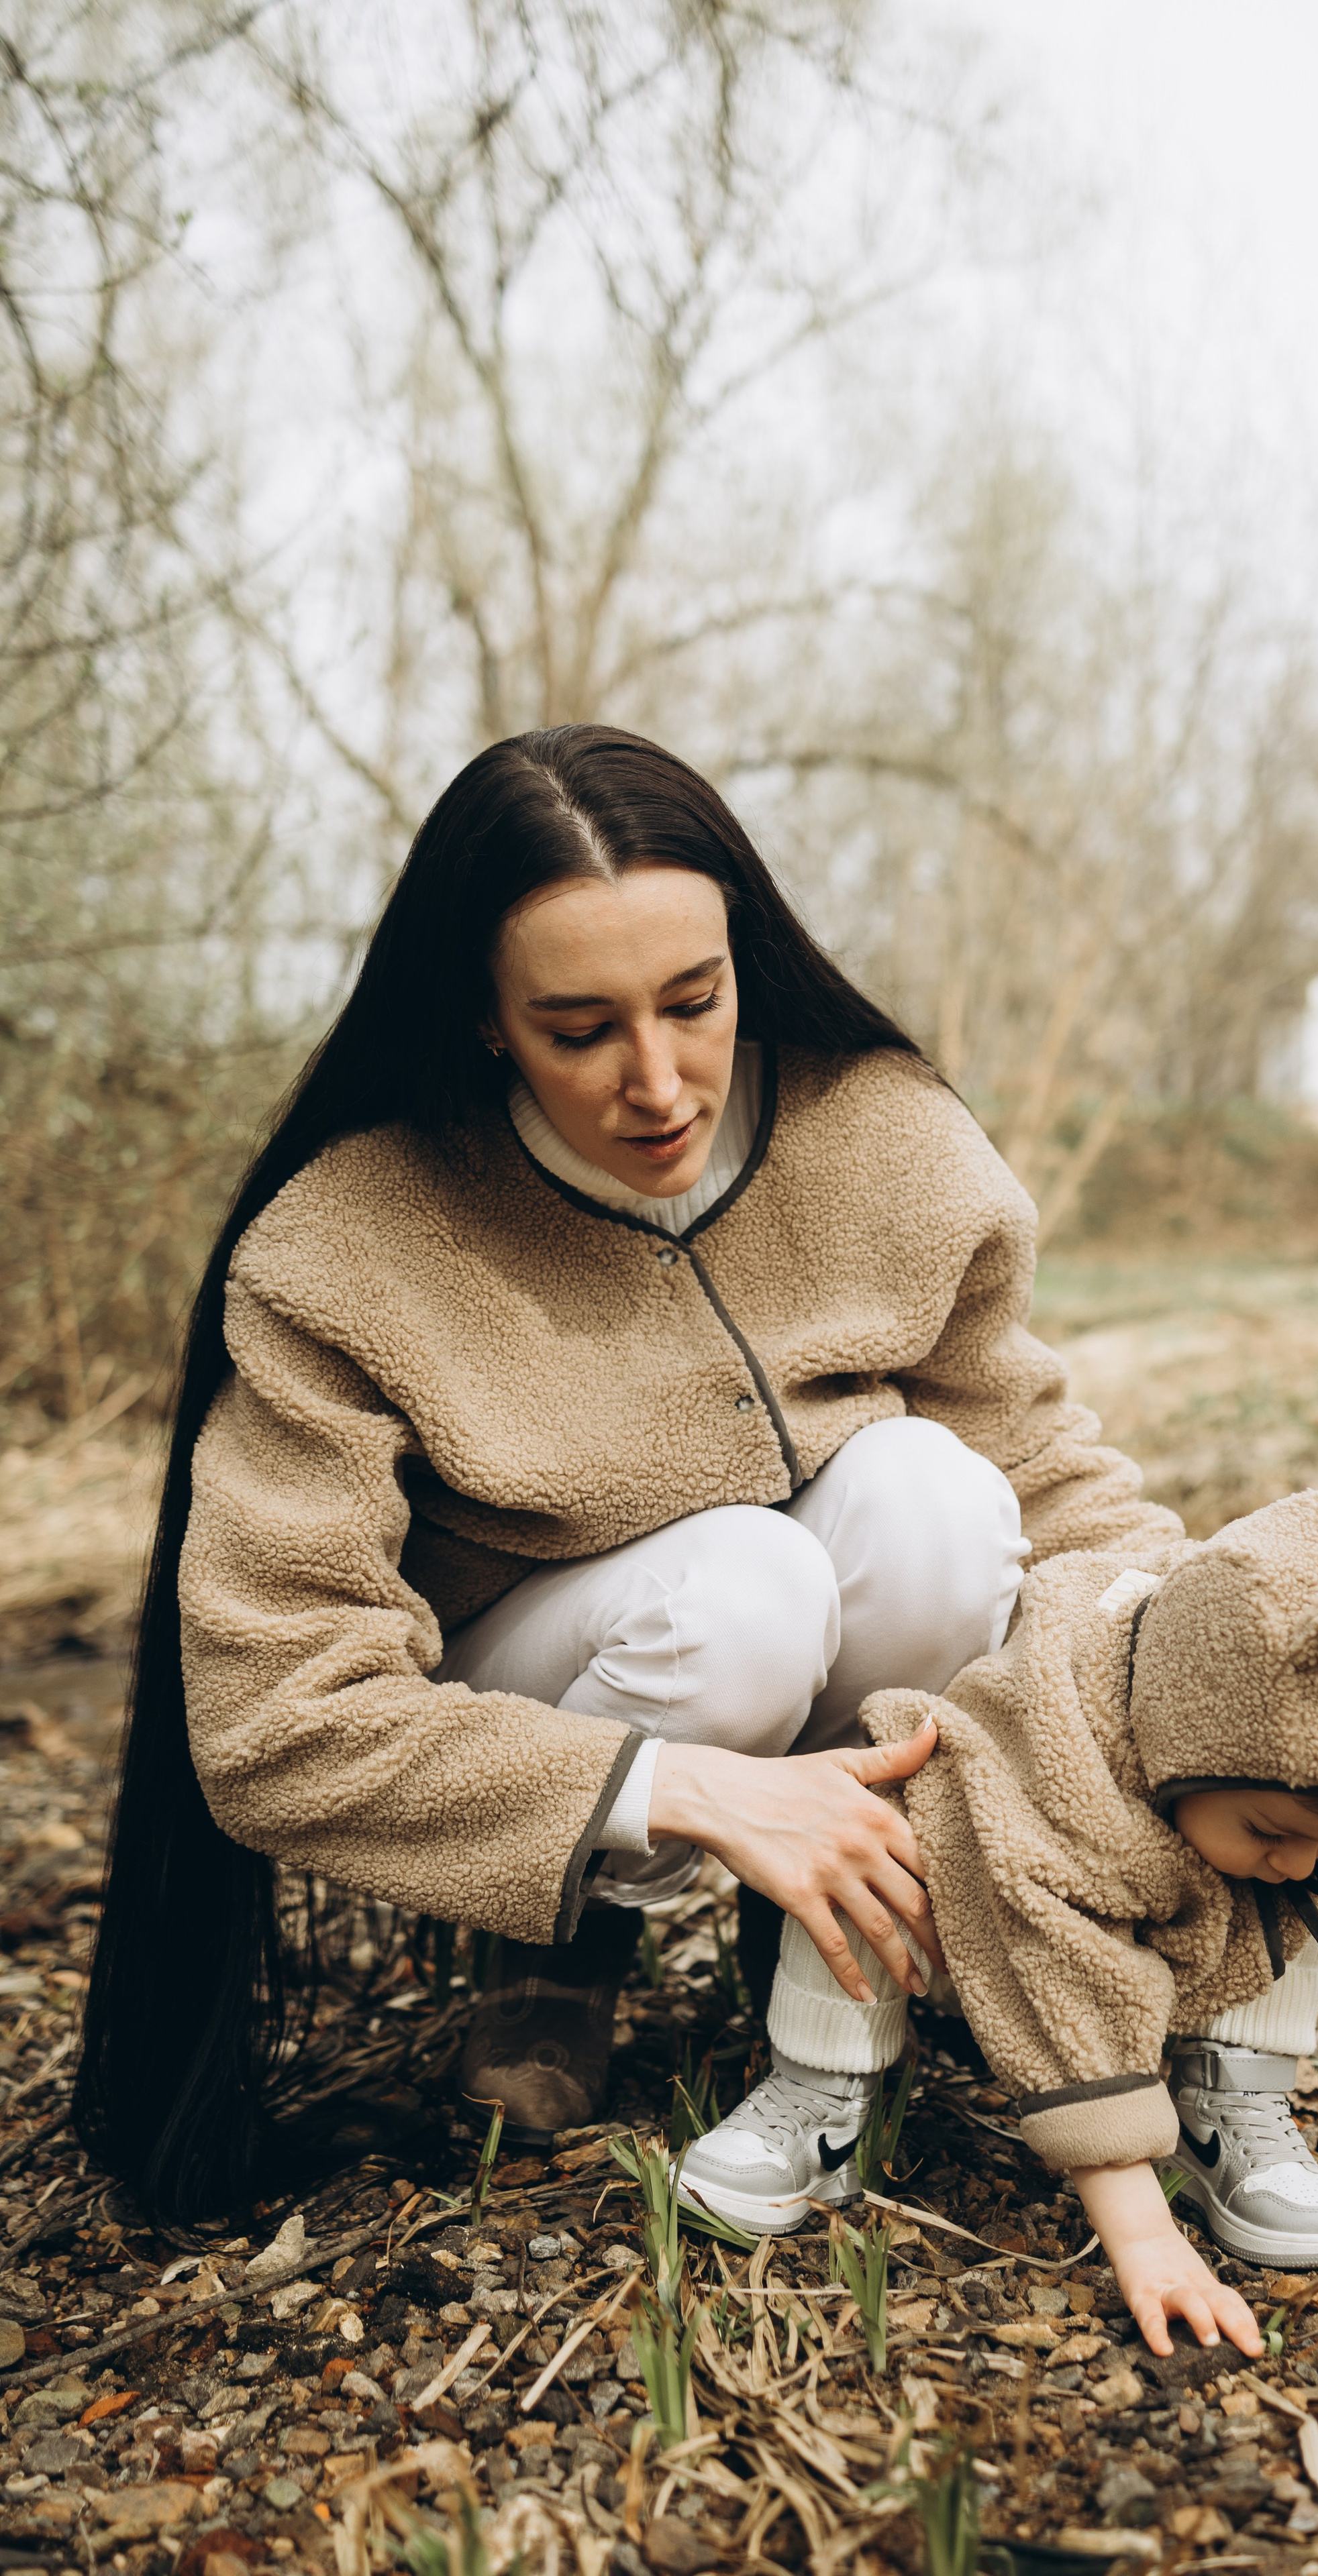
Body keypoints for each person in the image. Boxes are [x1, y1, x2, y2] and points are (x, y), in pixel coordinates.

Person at [74, 723, 1180, 2221]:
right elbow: (276, 1722)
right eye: (579, 1028)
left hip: (818, 1617)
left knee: (929, 1493)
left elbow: (1039, 1463)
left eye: (693, 1003)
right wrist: (669, 1785)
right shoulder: (347, 1246)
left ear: (745, 960)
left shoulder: (884, 1136)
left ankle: (839, 1930)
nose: (657, 1083)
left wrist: (1226, 1649)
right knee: (745, 1587)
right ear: (483, 1020)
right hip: (544, 1682)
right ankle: (557, 1952)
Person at [688, 1489, 1318, 2360]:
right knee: (872, 1848)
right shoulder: (1061, 1777)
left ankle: (1229, 2102)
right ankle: (822, 2096)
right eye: (1273, 1830)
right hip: (975, 1917)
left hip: (1167, 1905)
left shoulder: (1298, 1693)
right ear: (1194, 1747)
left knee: (1284, 1882)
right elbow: (1070, 1989)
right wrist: (1146, 2239)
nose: (1302, 1861)